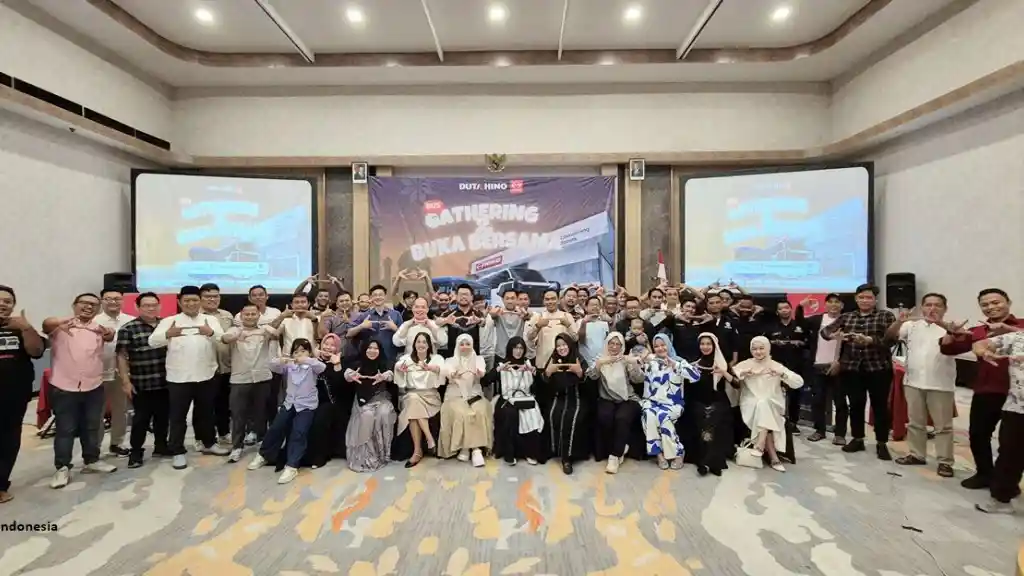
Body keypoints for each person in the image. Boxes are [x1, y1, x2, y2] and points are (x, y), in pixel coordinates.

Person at [940, 288, 1020, 490]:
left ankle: (1005, 481)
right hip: (987, 391)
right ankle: (984, 474)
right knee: (978, 435)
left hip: (1018, 395)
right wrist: (950, 332)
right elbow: (948, 349)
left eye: (996, 302)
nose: (991, 307)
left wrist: (1009, 331)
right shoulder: (978, 331)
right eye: (985, 305)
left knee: (1011, 442)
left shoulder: (1021, 325)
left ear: (1008, 302)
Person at [149, 285, 229, 470]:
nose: (191, 303)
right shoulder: (170, 321)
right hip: (179, 377)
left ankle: (209, 443)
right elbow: (152, 341)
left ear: (200, 301)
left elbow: (222, 338)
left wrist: (210, 332)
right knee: (178, 416)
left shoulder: (210, 320)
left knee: (206, 413)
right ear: (179, 302)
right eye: (187, 300)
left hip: (206, 374)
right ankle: (177, 450)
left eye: (195, 300)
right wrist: (168, 334)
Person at [43, 293, 118, 488]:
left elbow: (110, 335)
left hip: (94, 385)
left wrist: (110, 333)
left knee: (92, 426)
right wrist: (58, 322)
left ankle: (91, 460)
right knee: (65, 430)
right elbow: (46, 324)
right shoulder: (60, 326)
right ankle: (62, 467)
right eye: (84, 303)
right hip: (64, 387)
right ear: (74, 305)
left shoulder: (98, 329)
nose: (89, 307)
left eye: (94, 304)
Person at [886, 294, 961, 478]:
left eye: (937, 305)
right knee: (915, 423)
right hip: (913, 382)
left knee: (943, 427)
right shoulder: (911, 326)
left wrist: (948, 329)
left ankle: (945, 462)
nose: (932, 309)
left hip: (941, 384)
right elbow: (889, 337)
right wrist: (899, 321)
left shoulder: (953, 328)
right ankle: (916, 454)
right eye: (928, 305)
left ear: (945, 308)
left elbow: (957, 346)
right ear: (921, 307)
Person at [820, 283, 896, 460]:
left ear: (875, 300)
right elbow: (825, 332)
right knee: (855, 405)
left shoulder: (885, 315)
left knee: (880, 406)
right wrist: (834, 335)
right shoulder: (847, 317)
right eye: (861, 297)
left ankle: (882, 442)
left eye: (869, 297)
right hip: (852, 369)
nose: (864, 300)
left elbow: (891, 340)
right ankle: (857, 438)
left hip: (878, 368)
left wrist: (870, 340)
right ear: (856, 299)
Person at [247, 338, 326, 484]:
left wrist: (307, 359)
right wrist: (281, 360)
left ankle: (292, 466)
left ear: (309, 352)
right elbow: (272, 365)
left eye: (303, 351)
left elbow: (322, 367)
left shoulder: (312, 365)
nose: (299, 354)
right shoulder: (289, 366)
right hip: (289, 403)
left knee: (298, 432)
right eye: (296, 352)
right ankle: (264, 455)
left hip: (306, 406)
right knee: (276, 428)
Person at [0, 286, 45, 503]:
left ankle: (1, 484)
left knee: (9, 440)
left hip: (14, 394)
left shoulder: (20, 328)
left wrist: (26, 328)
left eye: (8, 301)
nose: (3, 304)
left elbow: (37, 351)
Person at [733, 336, 805, 472]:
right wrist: (744, 372)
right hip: (750, 402)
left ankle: (760, 446)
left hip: (773, 402)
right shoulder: (746, 364)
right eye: (754, 349)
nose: (758, 352)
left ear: (768, 349)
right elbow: (733, 374)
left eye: (761, 348)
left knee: (764, 404)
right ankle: (773, 457)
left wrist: (782, 374)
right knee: (762, 405)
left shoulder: (775, 365)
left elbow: (799, 382)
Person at [972, 328, 1024, 513]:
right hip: (1016, 407)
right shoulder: (1017, 338)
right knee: (1010, 453)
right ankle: (1002, 499)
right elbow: (980, 344)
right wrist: (984, 352)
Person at [116, 293, 169, 469]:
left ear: (159, 306)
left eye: (154, 305)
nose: (151, 308)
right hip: (141, 382)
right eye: (146, 305)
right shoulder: (128, 328)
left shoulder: (166, 325)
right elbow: (121, 356)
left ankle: (161, 446)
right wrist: (125, 381)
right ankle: (136, 452)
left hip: (166, 381)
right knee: (140, 420)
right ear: (137, 307)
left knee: (163, 417)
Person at [220, 303, 277, 463]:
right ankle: (237, 447)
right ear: (241, 315)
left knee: (261, 413)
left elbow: (276, 334)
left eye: (253, 314)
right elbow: (224, 339)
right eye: (247, 314)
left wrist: (268, 332)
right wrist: (238, 336)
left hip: (262, 377)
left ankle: (262, 443)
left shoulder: (265, 329)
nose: (250, 317)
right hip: (240, 379)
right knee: (238, 415)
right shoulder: (234, 330)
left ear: (259, 315)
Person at [639, 334, 700, 470]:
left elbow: (696, 376)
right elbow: (641, 377)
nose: (660, 348)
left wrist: (675, 365)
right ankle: (659, 454)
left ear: (668, 345)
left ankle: (678, 453)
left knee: (663, 417)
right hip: (652, 402)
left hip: (673, 404)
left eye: (663, 345)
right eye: (656, 346)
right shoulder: (651, 362)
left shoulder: (678, 361)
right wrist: (641, 361)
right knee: (648, 415)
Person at [683, 332, 737, 476]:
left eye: (708, 344)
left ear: (714, 346)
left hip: (718, 401)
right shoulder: (694, 364)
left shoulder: (722, 364)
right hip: (698, 401)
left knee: (713, 418)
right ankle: (710, 462)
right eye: (702, 344)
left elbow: (737, 384)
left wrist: (723, 373)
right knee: (702, 417)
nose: (705, 347)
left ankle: (706, 463)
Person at [589, 332, 644, 474]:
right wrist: (599, 364)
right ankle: (620, 447)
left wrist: (634, 364)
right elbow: (591, 376)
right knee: (605, 417)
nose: (614, 347)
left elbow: (638, 380)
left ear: (622, 346)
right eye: (611, 344)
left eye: (617, 344)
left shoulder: (625, 360)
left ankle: (614, 456)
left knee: (622, 417)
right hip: (606, 398)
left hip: (627, 398)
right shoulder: (600, 358)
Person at [485, 337, 542, 466]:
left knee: (532, 414)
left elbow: (539, 386)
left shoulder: (528, 364)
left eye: (521, 348)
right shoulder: (502, 364)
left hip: (525, 398)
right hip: (507, 399)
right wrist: (498, 370)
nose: (518, 351)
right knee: (510, 414)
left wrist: (534, 373)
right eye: (515, 348)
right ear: (510, 349)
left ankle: (529, 452)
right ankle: (509, 453)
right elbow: (486, 381)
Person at [343, 339, 397, 472]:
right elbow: (347, 374)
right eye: (369, 348)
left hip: (381, 399)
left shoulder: (385, 363)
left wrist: (384, 376)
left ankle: (383, 454)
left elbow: (390, 374)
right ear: (364, 349)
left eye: (376, 348)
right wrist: (351, 376)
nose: (372, 351)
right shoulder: (357, 364)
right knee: (367, 415)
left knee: (384, 413)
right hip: (363, 401)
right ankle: (366, 457)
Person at [439, 334, 493, 467]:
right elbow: (447, 371)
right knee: (463, 413)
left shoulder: (478, 359)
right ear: (457, 346)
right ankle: (469, 448)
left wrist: (479, 373)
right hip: (455, 396)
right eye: (462, 344)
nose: (465, 347)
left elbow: (482, 371)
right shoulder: (450, 360)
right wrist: (454, 374)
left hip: (474, 395)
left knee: (479, 410)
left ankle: (473, 449)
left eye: (468, 344)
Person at [801, 294, 847, 445]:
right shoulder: (817, 320)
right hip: (818, 365)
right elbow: (800, 323)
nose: (833, 305)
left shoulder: (847, 320)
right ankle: (819, 430)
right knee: (818, 400)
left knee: (840, 402)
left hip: (839, 367)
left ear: (842, 305)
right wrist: (801, 307)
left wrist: (840, 362)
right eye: (830, 302)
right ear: (825, 304)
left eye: (837, 302)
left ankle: (840, 434)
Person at [94, 288, 135, 457]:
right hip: (97, 372)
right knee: (97, 411)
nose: (113, 302)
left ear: (123, 301)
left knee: (121, 409)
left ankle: (117, 442)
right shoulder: (94, 321)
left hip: (121, 373)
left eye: (117, 299)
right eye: (108, 299)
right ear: (102, 301)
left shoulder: (130, 321)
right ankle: (94, 447)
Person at [394, 332, 444, 467]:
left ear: (429, 345)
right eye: (418, 342)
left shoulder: (436, 358)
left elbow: (441, 370)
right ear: (414, 344)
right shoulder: (407, 358)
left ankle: (417, 452)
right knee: (413, 398)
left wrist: (430, 368)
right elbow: (398, 365)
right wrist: (400, 368)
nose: (421, 344)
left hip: (430, 397)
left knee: (413, 408)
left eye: (424, 342)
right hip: (411, 395)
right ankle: (429, 439)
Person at [544, 333, 591, 474]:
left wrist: (580, 373)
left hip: (577, 398)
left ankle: (567, 458)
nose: (561, 348)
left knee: (571, 418)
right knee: (553, 414)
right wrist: (547, 374)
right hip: (558, 397)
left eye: (564, 345)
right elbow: (544, 383)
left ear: (570, 345)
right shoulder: (553, 359)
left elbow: (590, 384)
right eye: (558, 346)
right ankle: (554, 450)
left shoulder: (579, 359)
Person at [199, 283, 235, 446]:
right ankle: (201, 437)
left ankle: (224, 433)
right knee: (204, 405)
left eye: (215, 296)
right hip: (204, 367)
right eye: (207, 296)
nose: (212, 299)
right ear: (201, 298)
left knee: (224, 403)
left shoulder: (227, 316)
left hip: (226, 366)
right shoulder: (197, 317)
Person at [348, 284, 403, 365]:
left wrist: (395, 328)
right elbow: (349, 334)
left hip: (390, 358)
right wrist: (361, 326)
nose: (378, 297)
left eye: (380, 295)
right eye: (375, 295)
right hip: (369, 360)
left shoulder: (396, 314)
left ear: (385, 296)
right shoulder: (364, 315)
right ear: (371, 298)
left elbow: (404, 338)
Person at [527, 289, 576, 368]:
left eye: (553, 299)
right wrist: (537, 326)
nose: (550, 302)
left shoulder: (567, 316)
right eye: (547, 299)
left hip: (563, 362)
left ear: (558, 300)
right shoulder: (538, 316)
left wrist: (568, 325)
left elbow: (575, 338)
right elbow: (529, 337)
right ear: (543, 301)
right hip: (543, 362)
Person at [271, 292, 317, 359]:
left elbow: (319, 337)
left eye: (303, 302)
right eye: (297, 302)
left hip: (310, 359)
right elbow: (272, 333)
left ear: (308, 304)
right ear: (292, 305)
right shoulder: (285, 319)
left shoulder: (315, 319)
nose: (300, 304)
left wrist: (315, 320)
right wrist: (281, 316)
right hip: (289, 359)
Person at [576, 295, 612, 367]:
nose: (595, 307)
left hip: (603, 360)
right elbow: (580, 340)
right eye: (592, 305)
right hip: (586, 360)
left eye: (597, 305)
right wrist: (584, 323)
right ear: (586, 307)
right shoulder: (580, 322)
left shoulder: (604, 322)